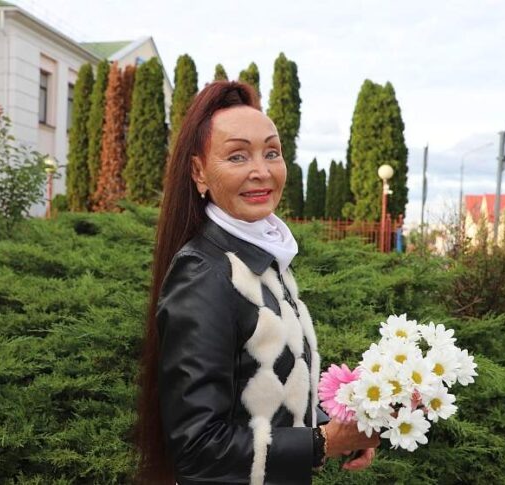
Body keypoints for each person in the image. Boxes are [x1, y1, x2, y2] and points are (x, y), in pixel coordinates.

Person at [135, 81, 379, 485]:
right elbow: (197, 448)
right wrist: (321, 443)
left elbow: (272, 397)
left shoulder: (264, 259)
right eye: (237, 156)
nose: (261, 172)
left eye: (272, 152)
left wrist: (340, 430)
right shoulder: (204, 274)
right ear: (199, 172)